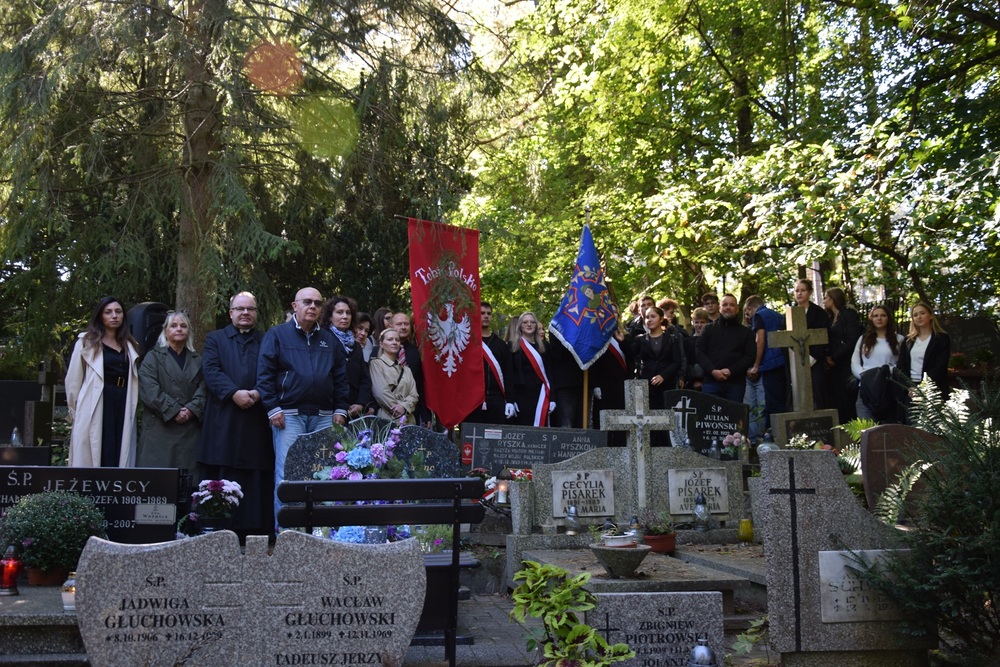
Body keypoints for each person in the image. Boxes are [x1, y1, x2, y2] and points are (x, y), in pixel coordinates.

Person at [258, 286, 349, 525]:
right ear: (294, 305)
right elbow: (264, 375)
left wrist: (340, 409)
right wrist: (272, 408)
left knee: (324, 475)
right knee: (288, 477)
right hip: (288, 417)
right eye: (307, 302)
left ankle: (319, 535)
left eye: (318, 303)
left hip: (324, 417)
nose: (312, 307)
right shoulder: (277, 335)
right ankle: (288, 535)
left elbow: (340, 378)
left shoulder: (330, 339)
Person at [197, 292, 274, 539]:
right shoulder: (215, 339)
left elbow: (274, 370)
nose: (245, 313)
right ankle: (219, 526)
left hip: (256, 419)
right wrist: (233, 393)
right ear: (230, 313)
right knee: (224, 466)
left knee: (256, 472)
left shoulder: (267, 339)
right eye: (240, 309)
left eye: (250, 309)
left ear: (256, 313)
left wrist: (259, 392)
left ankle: (256, 530)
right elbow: (210, 370)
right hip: (224, 417)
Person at [65, 296, 141, 467]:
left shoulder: (129, 344)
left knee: (120, 448)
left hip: (122, 400)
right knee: (96, 449)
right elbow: (73, 381)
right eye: (108, 312)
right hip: (95, 401)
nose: (114, 316)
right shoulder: (86, 342)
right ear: (100, 316)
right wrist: (75, 412)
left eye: (118, 312)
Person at [137, 310, 206, 473]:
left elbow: (205, 389)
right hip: (160, 427)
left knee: (187, 482)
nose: (179, 329)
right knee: (158, 480)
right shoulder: (152, 357)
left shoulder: (198, 360)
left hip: (189, 430)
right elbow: (149, 389)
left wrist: (191, 410)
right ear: (165, 331)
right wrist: (174, 410)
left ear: (189, 331)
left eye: (183, 326)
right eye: (173, 326)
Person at [322, 296, 374, 419]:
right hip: (329, 409)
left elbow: (364, 379)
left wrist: (361, 403)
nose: (345, 316)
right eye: (339, 312)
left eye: (348, 313)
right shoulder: (322, 340)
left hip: (354, 410)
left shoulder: (355, 346)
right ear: (330, 316)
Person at [696, 294, 755, 402]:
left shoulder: (746, 332)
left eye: (732, 305)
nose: (728, 307)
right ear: (720, 308)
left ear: (737, 309)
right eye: (725, 305)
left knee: (734, 417)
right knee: (708, 416)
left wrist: (730, 371)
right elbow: (699, 352)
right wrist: (712, 371)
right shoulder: (708, 329)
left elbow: (750, 356)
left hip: (735, 383)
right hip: (711, 382)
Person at [464, 301, 515, 425]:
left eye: (489, 313)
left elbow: (508, 374)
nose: (486, 316)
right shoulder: (467, 343)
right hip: (472, 399)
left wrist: (510, 400)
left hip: (496, 399)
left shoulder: (501, 345)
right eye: (482, 313)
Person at [851, 305, 904, 422]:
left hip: (888, 389)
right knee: (867, 431)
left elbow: (902, 364)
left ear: (888, 318)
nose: (879, 318)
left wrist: (884, 375)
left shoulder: (899, 340)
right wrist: (866, 377)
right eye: (876, 316)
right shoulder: (863, 339)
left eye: (883, 315)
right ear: (871, 319)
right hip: (866, 389)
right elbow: (854, 362)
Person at [743, 296, 786, 440]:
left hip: (770, 364)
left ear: (750, 308)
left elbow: (760, 340)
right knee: (780, 401)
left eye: (747, 311)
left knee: (772, 404)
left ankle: (775, 438)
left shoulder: (759, 316)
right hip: (783, 362)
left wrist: (756, 365)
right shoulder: (777, 315)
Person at [824, 287, 863, 424]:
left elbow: (853, 339)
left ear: (833, 299)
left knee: (847, 397)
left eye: (826, 298)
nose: (824, 301)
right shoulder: (830, 317)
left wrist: (835, 356)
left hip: (846, 361)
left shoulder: (848, 314)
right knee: (837, 397)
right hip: (834, 365)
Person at [897, 301, 951, 401]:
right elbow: (901, 366)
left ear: (930, 316)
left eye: (922, 313)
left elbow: (940, 365)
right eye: (915, 315)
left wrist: (923, 386)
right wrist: (910, 386)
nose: (919, 317)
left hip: (933, 388)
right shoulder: (908, 341)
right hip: (911, 389)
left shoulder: (941, 338)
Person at [510, 311, 554, 426]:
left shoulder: (545, 346)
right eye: (525, 322)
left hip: (541, 395)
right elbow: (509, 375)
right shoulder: (512, 347)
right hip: (521, 396)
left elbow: (550, 373)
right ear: (520, 325)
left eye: (532, 322)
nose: (529, 324)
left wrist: (552, 398)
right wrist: (510, 399)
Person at [793, 279, 831, 410]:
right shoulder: (790, 313)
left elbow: (824, 335)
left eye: (803, 290)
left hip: (815, 359)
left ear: (809, 292)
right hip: (795, 360)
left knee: (817, 390)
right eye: (797, 290)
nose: (799, 294)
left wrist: (812, 357)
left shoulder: (818, 313)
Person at [369, 329, 420, 424]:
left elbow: (414, 395)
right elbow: (380, 392)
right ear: (381, 344)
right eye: (390, 339)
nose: (394, 342)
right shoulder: (376, 364)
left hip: (408, 419)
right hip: (387, 418)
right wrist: (398, 411)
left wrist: (404, 407)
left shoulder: (406, 369)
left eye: (397, 340)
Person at [390, 311, 430, 426]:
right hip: (387, 408)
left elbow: (420, 384)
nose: (403, 327)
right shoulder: (381, 352)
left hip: (412, 410)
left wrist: (425, 413)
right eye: (399, 324)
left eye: (406, 324)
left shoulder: (417, 352)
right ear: (391, 326)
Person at [681, 307, 710, 390]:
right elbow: (686, 362)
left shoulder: (711, 341)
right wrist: (694, 380)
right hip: (691, 382)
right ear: (692, 322)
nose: (699, 325)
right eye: (696, 322)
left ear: (707, 323)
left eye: (702, 322)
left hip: (708, 381)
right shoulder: (687, 342)